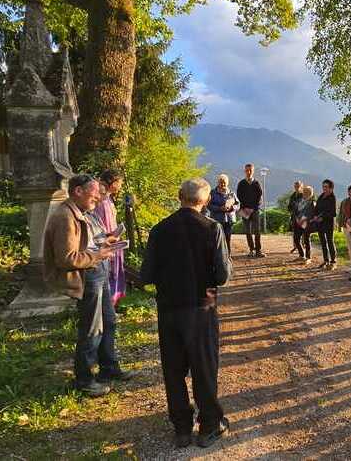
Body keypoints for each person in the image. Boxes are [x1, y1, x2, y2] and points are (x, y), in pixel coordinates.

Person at [140, 178, 232, 449]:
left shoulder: (159, 230)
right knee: (204, 369)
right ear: (204, 201)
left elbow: (146, 275)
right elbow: (223, 275)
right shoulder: (212, 228)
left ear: (180, 196)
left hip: (169, 309)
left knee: (173, 369)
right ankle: (209, 427)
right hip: (201, 308)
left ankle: (181, 428)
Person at [43, 174, 136, 398]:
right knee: (92, 327)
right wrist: (98, 254)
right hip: (88, 276)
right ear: (78, 191)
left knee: (109, 321)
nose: (97, 198)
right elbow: (66, 258)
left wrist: (104, 243)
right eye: (94, 195)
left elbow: (86, 243)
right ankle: (84, 379)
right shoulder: (66, 216)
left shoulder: (82, 213)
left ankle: (108, 368)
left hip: (97, 273)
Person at [94, 169, 126, 307]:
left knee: (114, 272)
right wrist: (111, 234)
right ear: (112, 182)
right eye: (119, 182)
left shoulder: (108, 199)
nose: (120, 186)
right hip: (107, 241)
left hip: (113, 238)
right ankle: (108, 304)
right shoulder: (101, 201)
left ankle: (113, 303)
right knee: (109, 273)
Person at [236, 163, 265, 258]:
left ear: (253, 171)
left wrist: (253, 208)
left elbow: (259, 197)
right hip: (244, 209)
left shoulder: (257, 183)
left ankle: (258, 250)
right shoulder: (241, 183)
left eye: (250, 170)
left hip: (255, 210)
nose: (248, 172)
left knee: (257, 231)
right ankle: (251, 250)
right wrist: (245, 208)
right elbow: (239, 196)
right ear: (244, 171)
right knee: (247, 231)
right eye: (247, 170)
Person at [207, 174, 240, 255]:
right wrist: (219, 208)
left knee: (228, 239)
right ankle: (217, 256)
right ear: (218, 182)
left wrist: (232, 208)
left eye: (224, 182)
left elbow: (238, 205)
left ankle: (228, 256)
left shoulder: (231, 193)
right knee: (217, 239)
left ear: (227, 183)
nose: (222, 184)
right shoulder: (212, 193)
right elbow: (208, 205)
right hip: (217, 220)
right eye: (221, 182)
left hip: (229, 220)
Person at [313, 179, 338, 270]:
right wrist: (315, 216)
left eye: (326, 187)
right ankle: (325, 260)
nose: (324, 188)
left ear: (331, 188)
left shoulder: (332, 198)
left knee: (330, 242)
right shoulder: (321, 197)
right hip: (319, 224)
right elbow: (316, 209)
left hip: (328, 223)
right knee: (323, 242)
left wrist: (322, 218)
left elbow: (333, 213)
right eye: (323, 187)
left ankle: (333, 261)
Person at [293, 185, 316, 264]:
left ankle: (308, 257)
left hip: (306, 223)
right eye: (304, 192)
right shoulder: (299, 201)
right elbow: (295, 211)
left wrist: (302, 220)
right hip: (297, 222)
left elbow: (311, 214)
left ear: (311, 194)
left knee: (306, 240)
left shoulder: (312, 203)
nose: (305, 194)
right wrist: (297, 219)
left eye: (307, 192)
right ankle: (301, 255)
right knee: (296, 239)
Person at [338, 186, 351, 277]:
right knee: (350, 247)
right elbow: (341, 214)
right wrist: (340, 225)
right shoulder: (344, 201)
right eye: (349, 191)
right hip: (346, 226)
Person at [287, 181, 304, 254]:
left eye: (298, 186)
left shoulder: (303, 195)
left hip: (301, 217)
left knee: (302, 233)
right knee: (295, 233)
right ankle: (295, 246)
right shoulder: (293, 195)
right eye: (295, 186)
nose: (296, 188)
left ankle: (302, 246)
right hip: (294, 216)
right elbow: (289, 206)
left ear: (301, 186)